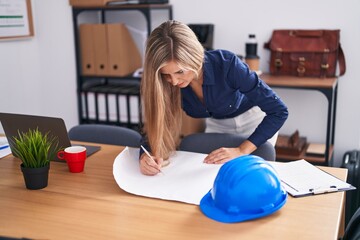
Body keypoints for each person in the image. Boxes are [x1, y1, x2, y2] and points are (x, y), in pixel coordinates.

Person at [139, 20, 288, 176]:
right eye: (166, 75)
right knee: (214, 176)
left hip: (253, 121)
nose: (174, 82)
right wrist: (146, 155)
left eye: (180, 72)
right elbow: (155, 121)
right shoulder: (164, 83)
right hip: (218, 125)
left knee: (251, 177)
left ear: (194, 57)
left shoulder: (227, 65)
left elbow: (279, 111)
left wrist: (242, 150)